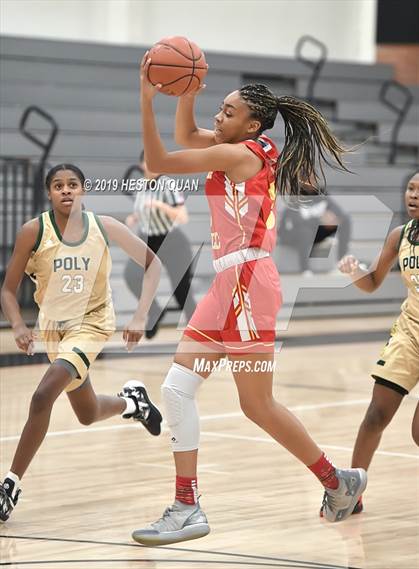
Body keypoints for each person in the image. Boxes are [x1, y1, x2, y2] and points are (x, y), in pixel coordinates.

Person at [131, 54, 367, 546]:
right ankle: (186, 504)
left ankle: (336, 481)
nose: (218, 117)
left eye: (228, 111)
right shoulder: (236, 145)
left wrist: (149, 97)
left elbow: (157, 161)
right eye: (219, 108)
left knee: (256, 405)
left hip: (247, 284)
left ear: (252, 124)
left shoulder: (243, 156)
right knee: (176, 389)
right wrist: (188, 91)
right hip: (226, 284)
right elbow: (186, 138)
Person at [0, 164, 163, 522]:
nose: (66, 190)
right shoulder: (33, 231)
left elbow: (153, 264)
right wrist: (17, 324)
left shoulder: (103, 226)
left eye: (72, 184)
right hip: (54, 330)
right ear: (49, 193)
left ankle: (9, 486)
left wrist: (139, 316)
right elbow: (8, 290)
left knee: (43, 396)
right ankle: (133, 404)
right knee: (87, 413)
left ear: (83, 190)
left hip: (92, 324)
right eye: (58, 185)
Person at [320, 171, 419, 517]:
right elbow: (373, 281)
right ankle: (351, 492)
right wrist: (355, 271)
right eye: (410, 188)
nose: (413, 195)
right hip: (410, 331)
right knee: (376, 414)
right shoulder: (400, 235)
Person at [124, 151, 197, 338]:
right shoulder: (140, 185)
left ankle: (196, 329)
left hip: (172, 242)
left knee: (181, 290)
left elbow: (183, 217)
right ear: (141, 165)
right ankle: (155, 311)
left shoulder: (168, 184)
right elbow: (143, 210)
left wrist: (159, 205)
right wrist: (134, 217)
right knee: (131, 274)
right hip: (148, 239)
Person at [278, 180, 351, 276]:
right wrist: (319, 219)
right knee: (304, 231)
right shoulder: (296, 199)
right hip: (291, 234)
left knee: (345, 221)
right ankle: (305, 269)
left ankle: (341, 260)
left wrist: (332, 217)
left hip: (312, 231)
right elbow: (297, 223)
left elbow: (339, 213)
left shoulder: (322, 197)